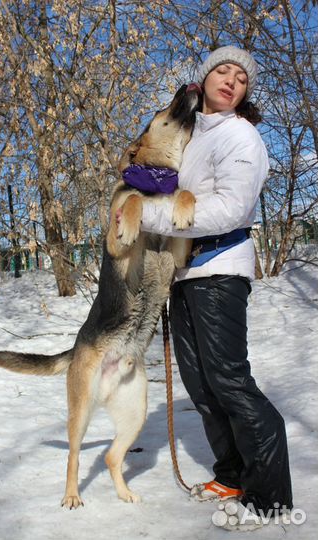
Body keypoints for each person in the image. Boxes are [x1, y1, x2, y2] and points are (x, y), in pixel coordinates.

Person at [140, 46, 293, 531]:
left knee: (229, 381)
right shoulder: (192, 135)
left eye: (241, 78)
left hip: (220, 270)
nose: (230, 80)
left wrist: (147, 215)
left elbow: (228, 209)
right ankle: (231, 475)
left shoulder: (241, 136)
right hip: (184, 273)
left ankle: (270, 496)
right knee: (202, 387)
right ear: (204, 78)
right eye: (222, 71)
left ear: (245, 94)